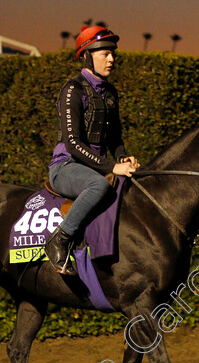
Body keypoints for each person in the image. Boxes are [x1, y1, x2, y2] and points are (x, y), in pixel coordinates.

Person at [45, 25, 139, 276]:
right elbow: (73, 144)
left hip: (94, 168)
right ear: (87, 56)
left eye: (113, 54)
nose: (111, 59)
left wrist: (122, 157)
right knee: (98, 185)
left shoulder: (110, 93)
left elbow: (114, 137)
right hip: (66, 167)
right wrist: (112, 166)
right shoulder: (72, 90)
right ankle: (60, 240)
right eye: (104, 53)